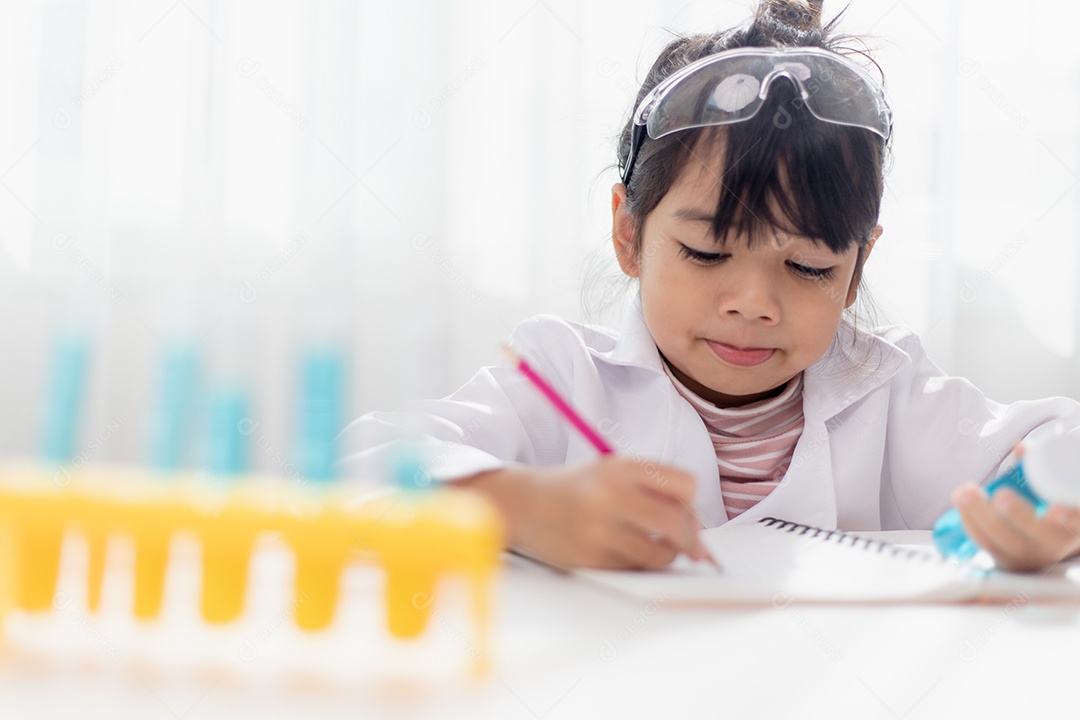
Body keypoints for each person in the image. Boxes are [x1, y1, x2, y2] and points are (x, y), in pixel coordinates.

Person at [338, 0, 1080, 573]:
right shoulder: (562, 378)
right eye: (705, 251)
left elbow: (1063, 446)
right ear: (629, 234)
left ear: (857, 270)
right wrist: (517, 507)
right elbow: (361, 466)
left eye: (810, 267)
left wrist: (1043, 514)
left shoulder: (887, 393)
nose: (753, 302)